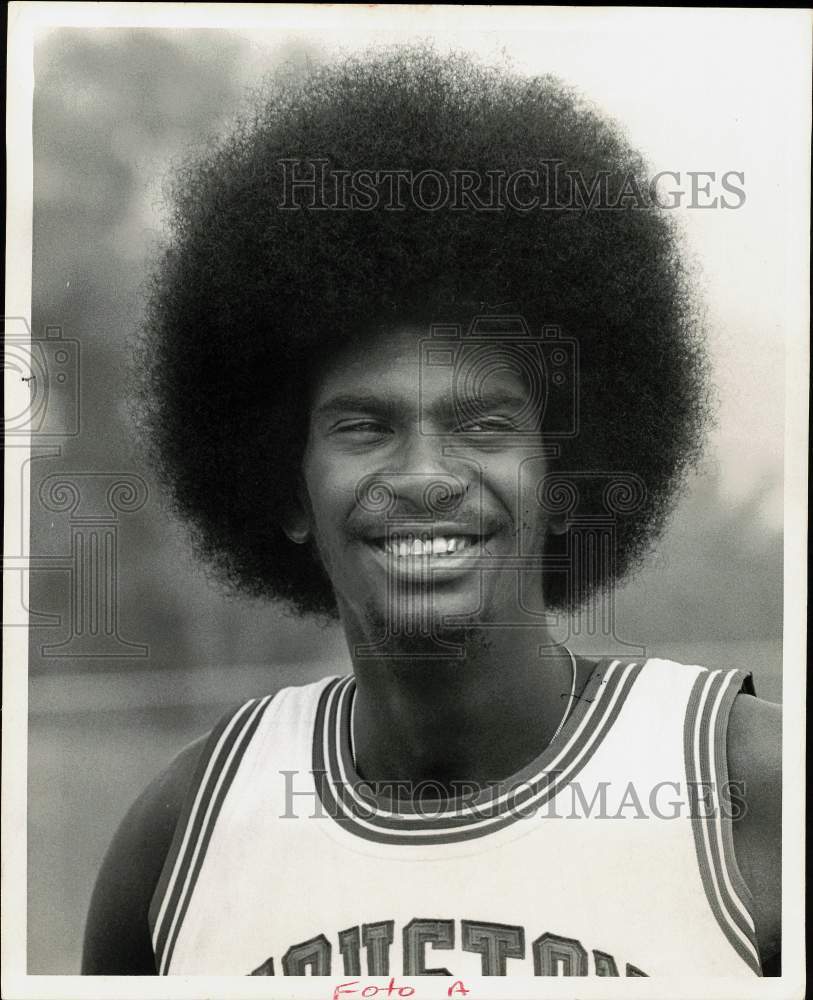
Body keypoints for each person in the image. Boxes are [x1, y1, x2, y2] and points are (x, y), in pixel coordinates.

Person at [83, 46, 781, 978]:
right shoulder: (183, 834)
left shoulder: (753, 796)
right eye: (365, 425)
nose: (423, 476)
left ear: (562, 477)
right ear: (287, 489)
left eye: (484, 424)